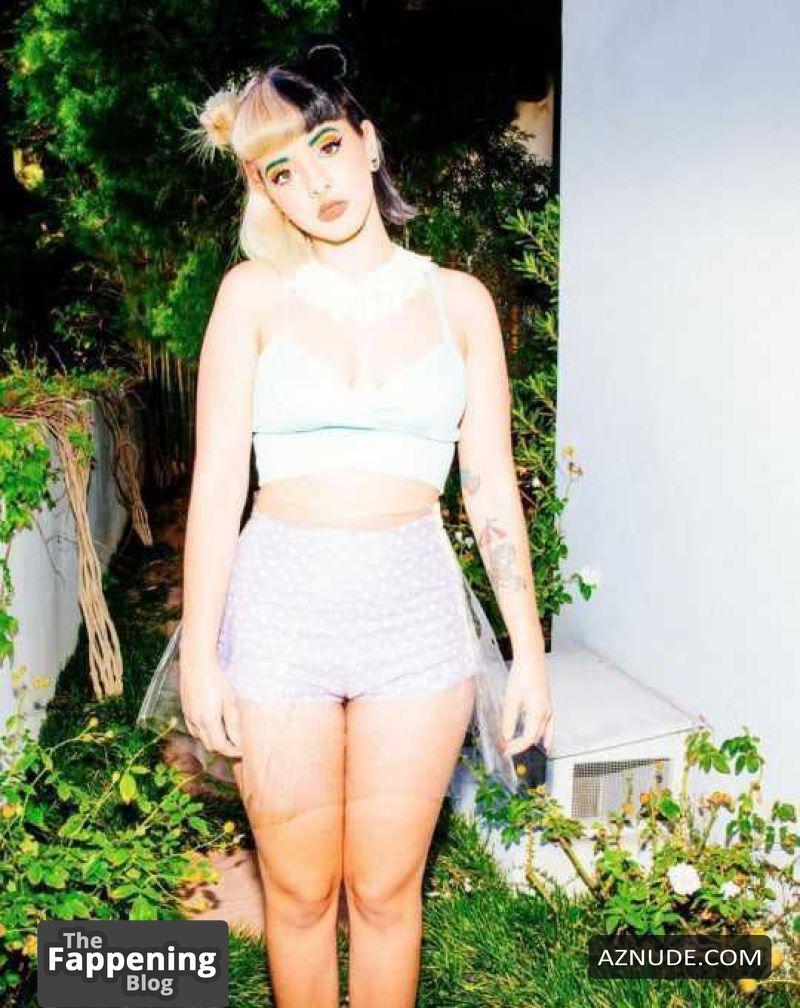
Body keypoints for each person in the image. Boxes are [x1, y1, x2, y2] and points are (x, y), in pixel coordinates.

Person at [139, 42, 553, 1008]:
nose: (315, 183)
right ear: (265, 193)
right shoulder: (253, 297)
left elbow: (489, 487)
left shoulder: (460, 304)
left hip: (416, 623)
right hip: (277, 618)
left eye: (326, 147)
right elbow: (217, 486)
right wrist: (200, 655)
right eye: (282, 171)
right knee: (297, 895)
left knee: (384, 891)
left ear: (367, 142)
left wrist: (528, 653)